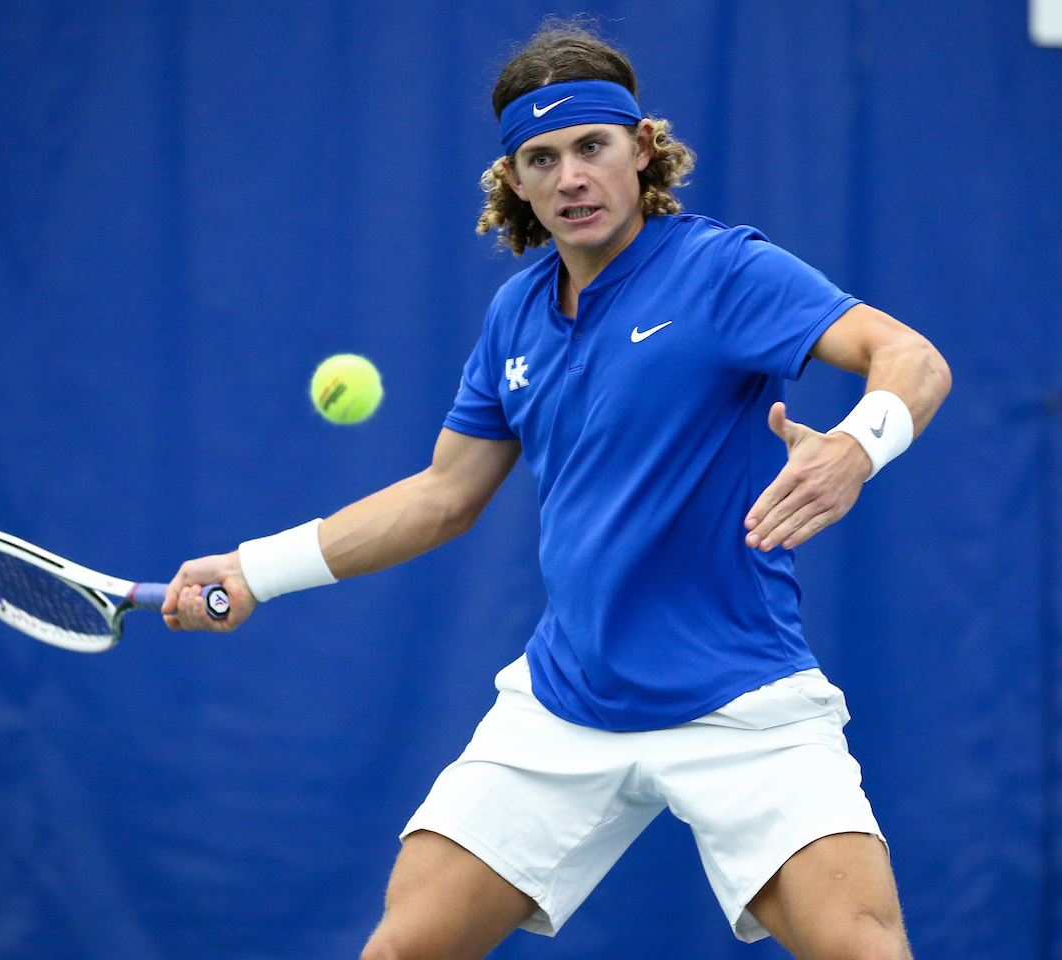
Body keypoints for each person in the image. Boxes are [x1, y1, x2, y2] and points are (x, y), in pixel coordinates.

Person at [162, 21, 950, 960]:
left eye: (592, 147)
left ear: (641, 150)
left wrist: (857, 448)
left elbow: (910, 358)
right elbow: (442, 498)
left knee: (863, 948)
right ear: (516, 184)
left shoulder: (722, 270)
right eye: (542, 158)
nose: (571, 176)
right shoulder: (517, 315)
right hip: (563, 703)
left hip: (742, 699)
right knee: (402, 949)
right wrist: (255, 571)